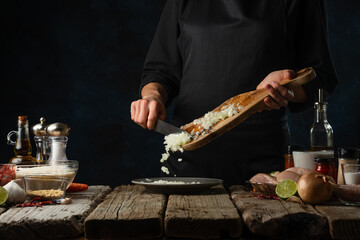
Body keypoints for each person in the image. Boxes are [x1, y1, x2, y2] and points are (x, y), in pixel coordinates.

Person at [130, 0, 337, 185]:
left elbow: (321, 78)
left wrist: (287, 89)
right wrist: (152, 97)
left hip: (262, 168)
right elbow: (159, 71)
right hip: (188, 160)